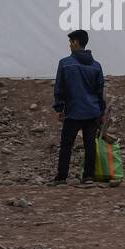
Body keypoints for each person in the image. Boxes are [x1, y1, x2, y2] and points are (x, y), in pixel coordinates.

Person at [52, 29, 106, 185]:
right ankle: (88, 177)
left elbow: (60, 88)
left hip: (73, 112)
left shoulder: (65, 63)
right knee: (90, 145)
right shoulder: (96, 66)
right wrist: (101, 112)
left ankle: (61, 178)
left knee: (66, 145)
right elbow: (99, 91)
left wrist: (59, 108)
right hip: (92, 112)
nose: (69, 45)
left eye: (70, 42)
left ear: (76, 42)